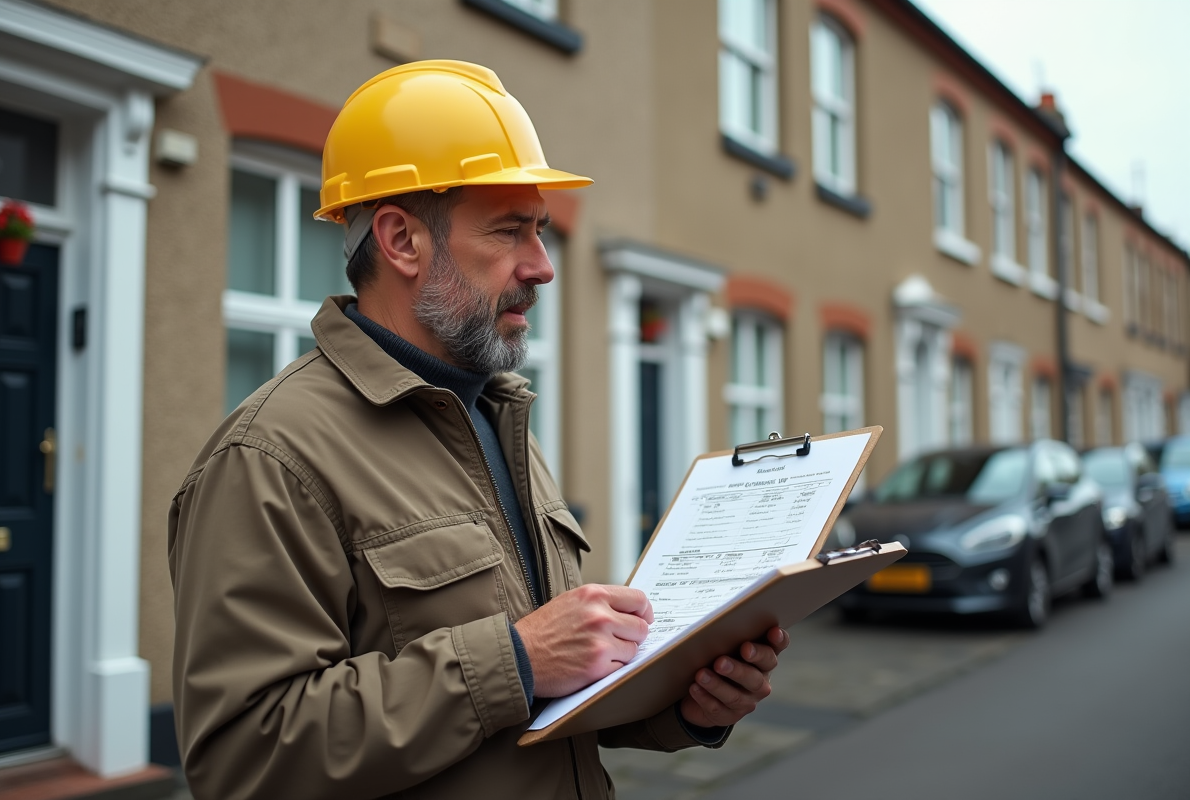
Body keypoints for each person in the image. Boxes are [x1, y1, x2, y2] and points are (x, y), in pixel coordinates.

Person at [168, 60, 788, 799]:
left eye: (541, 231)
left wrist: (685, 707)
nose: (543, 266)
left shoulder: (496, 416)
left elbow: (552, 698)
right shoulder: (270, 456)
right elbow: (243, 758)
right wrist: (514, 662)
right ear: (402, 240)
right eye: (509, 231)